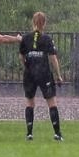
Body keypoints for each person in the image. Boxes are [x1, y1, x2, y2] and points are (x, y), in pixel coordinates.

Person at [19, 11, 64, 141]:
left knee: (30, 102)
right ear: (44, 23)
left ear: (33, 22)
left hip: (30, 74)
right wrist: (58, 75)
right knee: (51, 102)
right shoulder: (47, 39)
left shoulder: (25, 38)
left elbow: (21, 56)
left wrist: (27, 66)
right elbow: (53, 58)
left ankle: (29, 133)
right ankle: (57, 133)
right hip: (44, 74)